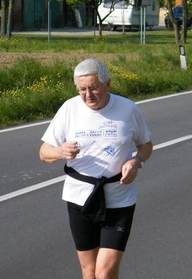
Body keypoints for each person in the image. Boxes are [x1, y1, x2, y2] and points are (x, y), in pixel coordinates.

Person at [39, 58, 153, 279]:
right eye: (82, 89)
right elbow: (44, 152)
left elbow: (146, 145)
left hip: (119, 199)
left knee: (105, 272)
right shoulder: (69, 109)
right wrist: (60, 151)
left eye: (94, 88)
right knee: (89, 272)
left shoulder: (127, 109)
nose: (88, 95)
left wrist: (136, 161)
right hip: (80, 199)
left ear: (108, 84)